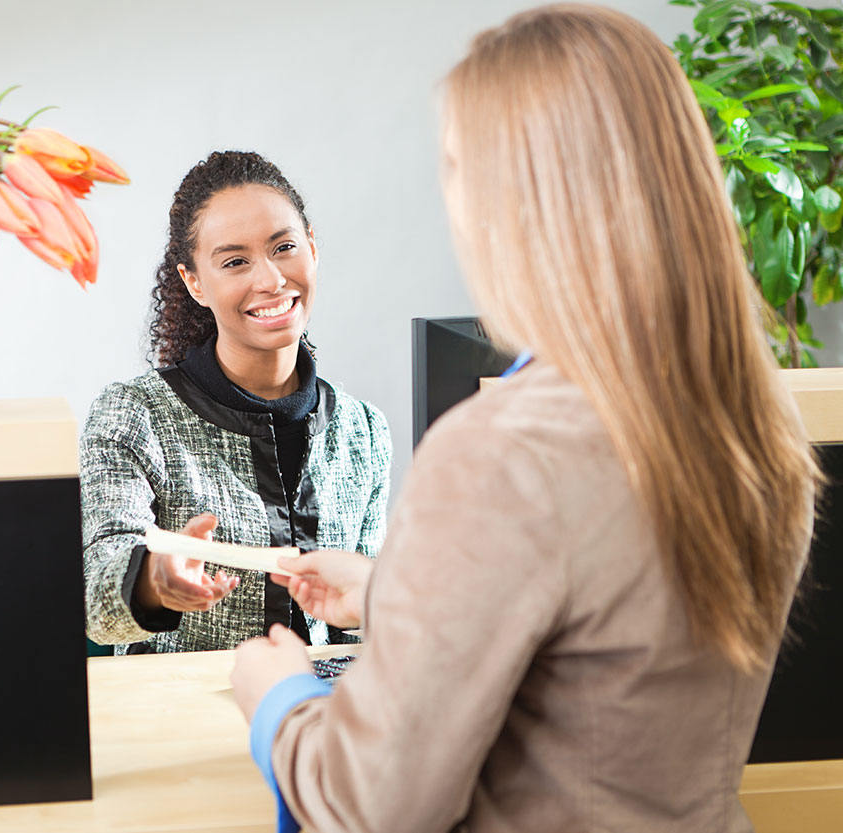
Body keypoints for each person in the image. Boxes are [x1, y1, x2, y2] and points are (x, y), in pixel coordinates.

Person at [228, 6, 821, 832]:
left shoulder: (500, 450)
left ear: (522, 202)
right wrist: (404, 593)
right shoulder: (753, 422)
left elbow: (372, 806)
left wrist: (279, 697)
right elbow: (606, 652)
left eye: (457, 168)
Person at [81, 150, 392, 654]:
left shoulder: (364, 429)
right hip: (184, 724)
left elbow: (366, 626)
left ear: (312, 248)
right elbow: (97, 597)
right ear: (194, 282)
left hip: (321, 720)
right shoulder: (134, 415)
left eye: (285, 247)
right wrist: (154, 581)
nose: (270, 280)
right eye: (235, 262)